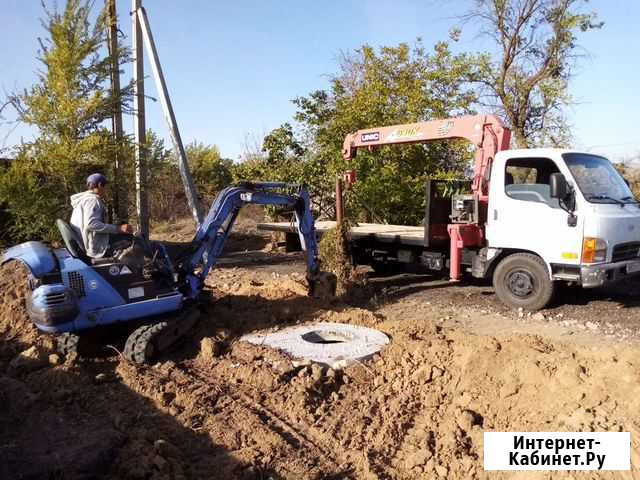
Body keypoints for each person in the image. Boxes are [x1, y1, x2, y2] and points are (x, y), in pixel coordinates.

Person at [70, 173, 136, 258]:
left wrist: (116, 227)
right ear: (100, 185)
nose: (107, 190)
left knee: (123, 235)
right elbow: (91, 224)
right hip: (94, 246)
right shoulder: (92, 201)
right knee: (133, 240)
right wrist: (118, 228)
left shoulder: (83, 200)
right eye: (106, 187)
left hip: (90, 240)